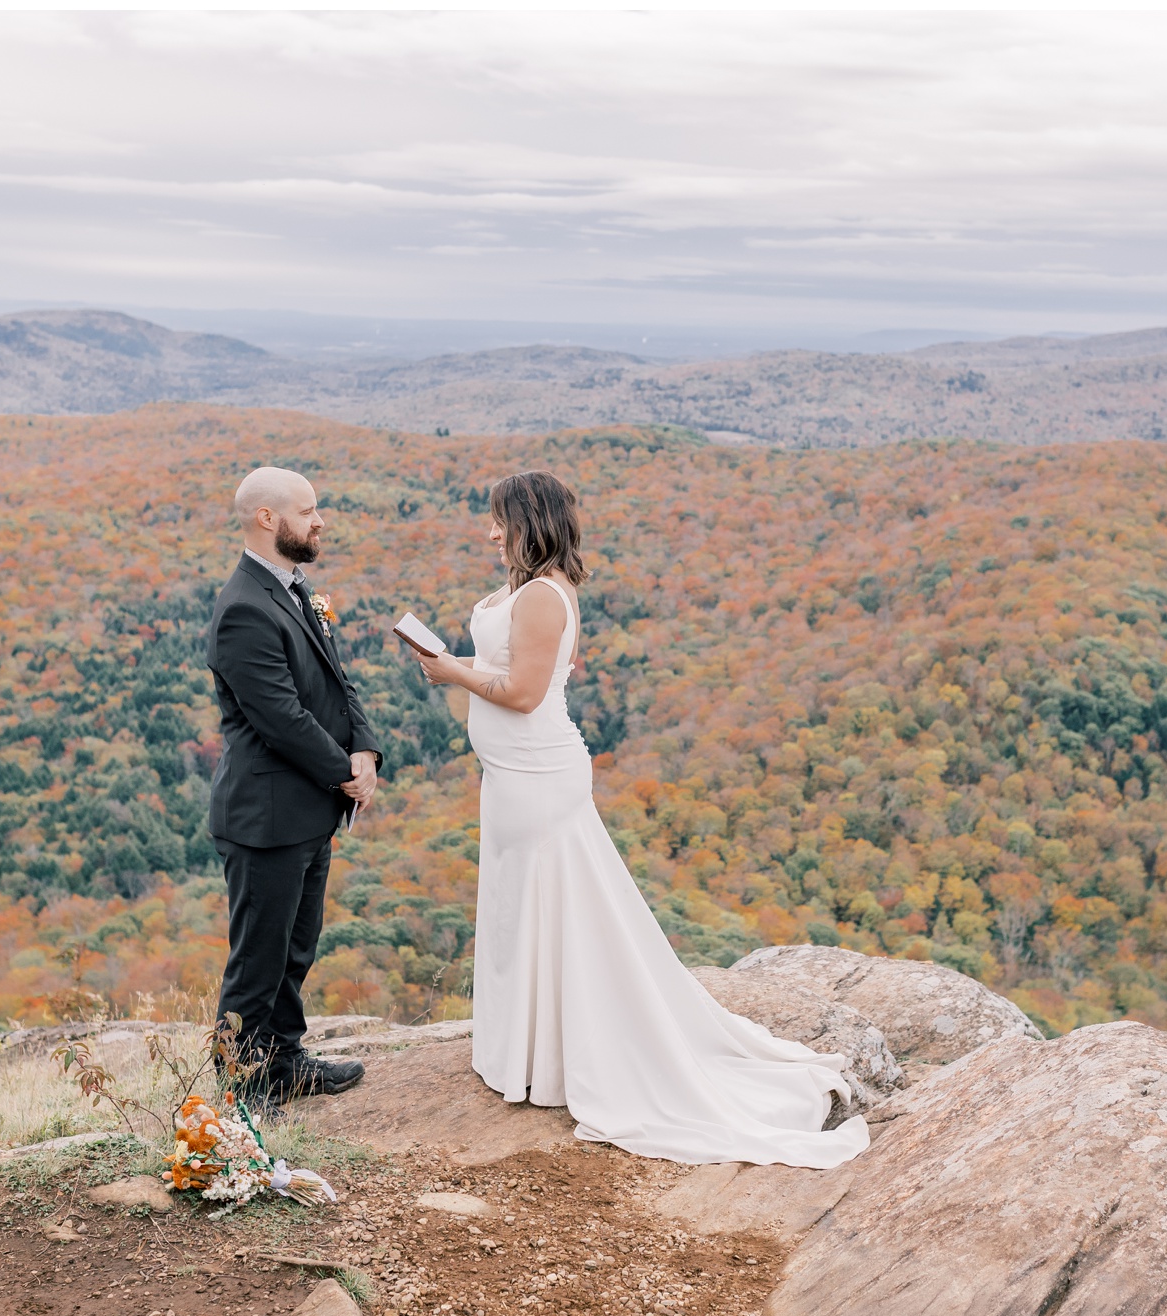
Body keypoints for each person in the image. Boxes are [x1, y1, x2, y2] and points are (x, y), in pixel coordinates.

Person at [412, 471, 867, 1168]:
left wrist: (450, 672)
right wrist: (459, 664)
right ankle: (532, 1054)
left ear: (527, 521)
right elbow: (507, 668)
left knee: (551, 909)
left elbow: (525, 693)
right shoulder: (533, 590)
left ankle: (561, 1059)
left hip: (538, 777)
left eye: (498, 519)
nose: (489, 531)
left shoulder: (541, 596)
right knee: (520, 909)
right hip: (512, 779)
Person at [206, 466, 379, 1110]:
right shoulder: (243, 609)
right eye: (308, 511)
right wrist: (344, 772)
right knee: (256, 962)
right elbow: (281, 718)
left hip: (308, 812)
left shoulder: (294, 588)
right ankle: (237, 1095)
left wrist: (364, 751)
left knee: (295, 950)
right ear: (267, 520)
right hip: (265, 816)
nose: (320, 520)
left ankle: (285, 1061)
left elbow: (336, 684)